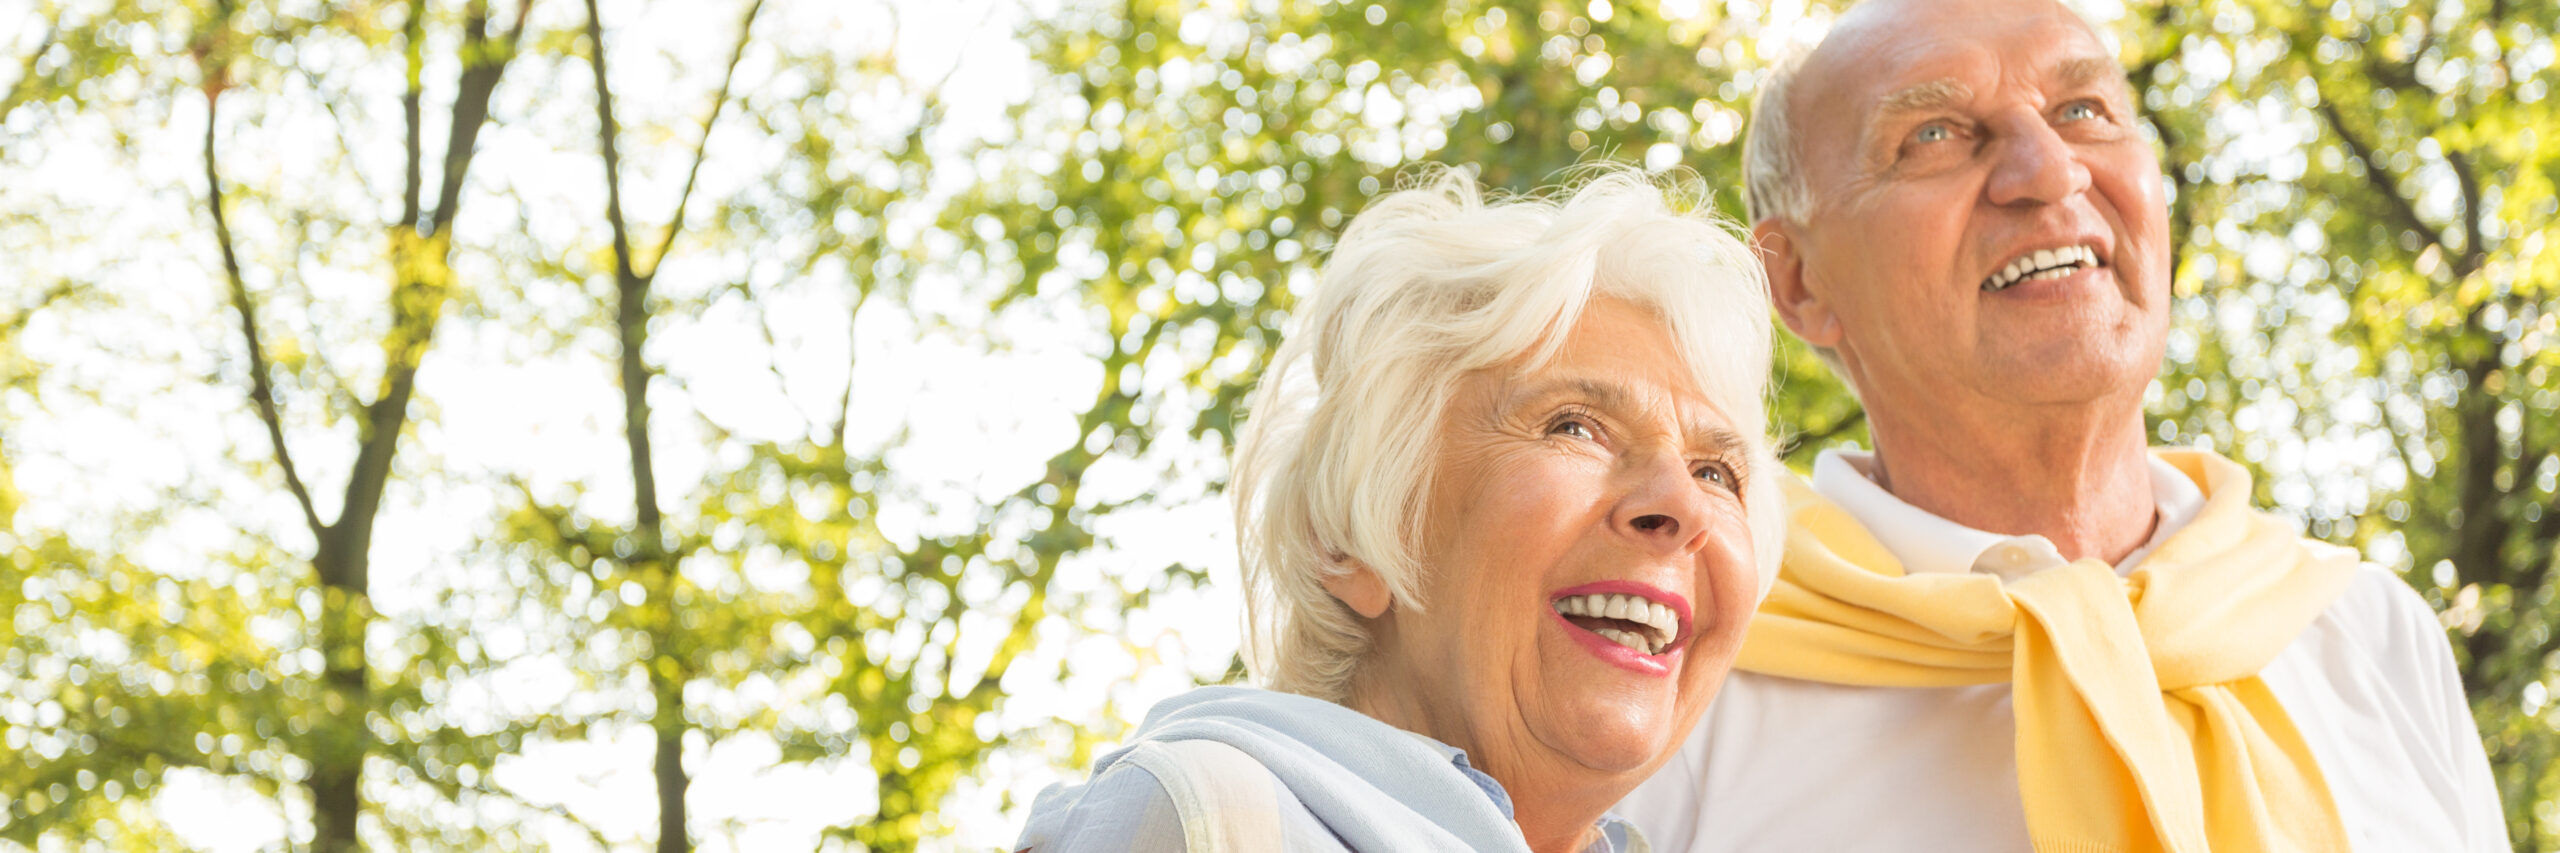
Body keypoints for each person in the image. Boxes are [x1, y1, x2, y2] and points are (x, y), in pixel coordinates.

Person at [1615, 0, 2510, 851]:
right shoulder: (1673, 673)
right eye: (1933, 136)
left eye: (2083, 109)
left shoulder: (2373, 631)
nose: (2049, 171)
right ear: (1799, 281)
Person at [1013, 168, 1788, 853]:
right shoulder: (1208, 818)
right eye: (1573, 426)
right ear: (1348, 539)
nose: (1681, 504)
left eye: (1715, 470)